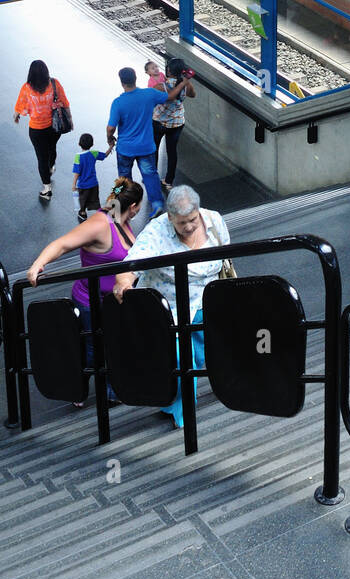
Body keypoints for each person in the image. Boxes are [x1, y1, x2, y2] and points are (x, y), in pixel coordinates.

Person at [113, 185, 230, 429]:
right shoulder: (157, 231)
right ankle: (182, 412)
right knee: (179, 360)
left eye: (192, 220)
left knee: (197, 357)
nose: (188, 227)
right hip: (170, 309)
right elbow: (133, 261)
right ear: (169, 217)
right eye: (181, 223)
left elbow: (226, 255)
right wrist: (123, 281)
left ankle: (172, 399)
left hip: (203, 302)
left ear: (199, 211)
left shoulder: (215, 221)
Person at [26, 178, 143, 404]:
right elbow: (62, 244)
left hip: (113, 300)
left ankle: (111, 391)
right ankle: (75, 389)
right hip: (91, 302)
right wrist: (38, 264)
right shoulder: (100, 224)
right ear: (134, 206)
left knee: (112, 345)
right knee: (92, 349)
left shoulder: (120, 216)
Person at [106, 66, 192, 216]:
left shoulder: (118, 103)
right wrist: (183, 83)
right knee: (150, 175)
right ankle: (157, 204)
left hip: (125, 149)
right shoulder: (149, 94)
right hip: (146, 146)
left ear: (122, 82)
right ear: (135, 79)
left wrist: (110, 140)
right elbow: (171, 96)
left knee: (124, 179)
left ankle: (124, 205)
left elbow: (110, 128)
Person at [14, 60, 71, 202]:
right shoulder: (54, 83)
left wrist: (16, 115)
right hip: (55, 126)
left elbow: (20, 105)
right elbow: (65, 102)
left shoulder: (27, 88)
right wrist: (69, 119)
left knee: (41, 157)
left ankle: (47, 188)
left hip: (37, 129)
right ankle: (51, 166)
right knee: (52, 148)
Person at [152, 58, 196, 193]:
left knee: (154, 150)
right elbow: (193, 95)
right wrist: (186, 81)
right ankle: (169, 181)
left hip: (159, 122)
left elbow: (153, 101)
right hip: (177, 123)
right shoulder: (185, 85)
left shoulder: (160, 87)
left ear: (169, 70)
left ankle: (153, 178)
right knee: (172, 152)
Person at [72, 133, 111, 222]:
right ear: (92, 144)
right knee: (95, 199)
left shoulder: (78, 157)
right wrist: (111, 147)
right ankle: (100, 213)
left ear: (79, 144)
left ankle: (82, 213)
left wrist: (74, 184)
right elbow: (105, 155)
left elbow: (77, 172)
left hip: (83, 185)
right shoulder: (94, 153)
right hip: (94, 183)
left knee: (83, 200)